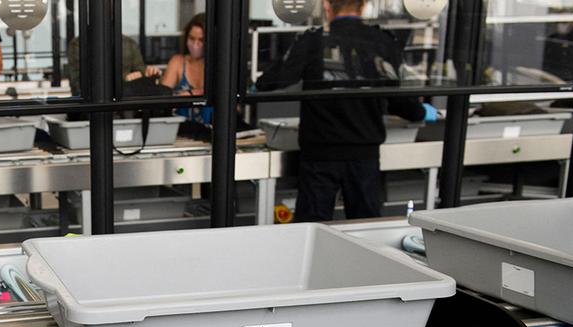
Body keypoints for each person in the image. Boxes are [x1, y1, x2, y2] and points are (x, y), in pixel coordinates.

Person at [256, 0, 438, 221]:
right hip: (363, 156)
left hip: (319, 156)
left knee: (311, 228)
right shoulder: (381, 41)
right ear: (363, 6)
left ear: (326, 6)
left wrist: (253, 86)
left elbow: (274, 81)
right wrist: (422, 112)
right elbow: (399, 100)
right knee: (365, 229)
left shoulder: (313, 40)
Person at [160, 13, 211, 125]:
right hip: (181, 133)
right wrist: (182, 97)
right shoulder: (178, 62)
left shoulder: (219, 66)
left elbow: (236, 108)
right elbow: (161, 101)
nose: (195, 44)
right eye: (191, 38)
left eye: (201, 40)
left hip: (213, 134)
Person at [67, 35, 160, 96]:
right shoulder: (78, 44)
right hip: (91, 102)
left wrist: (147, 71)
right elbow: (81, 81)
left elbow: (139, 68)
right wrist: (124, 78)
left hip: (126, 99)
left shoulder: (129, 43)